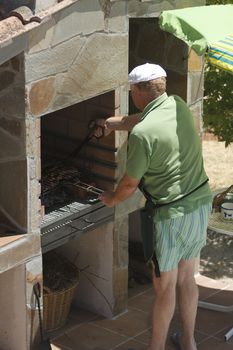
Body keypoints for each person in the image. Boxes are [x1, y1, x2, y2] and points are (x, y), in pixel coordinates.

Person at [95, 63, 212, 350]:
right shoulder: (178, 105)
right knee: (187, 278)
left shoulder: (142, 136)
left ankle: (156, 347)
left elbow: (128, 185)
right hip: (200, 203)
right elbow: (149, 119)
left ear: (136, 91)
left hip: (170, 215)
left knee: (165, 287)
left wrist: (111, 199)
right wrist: (118, 122)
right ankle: (188, 342)